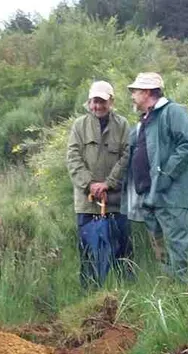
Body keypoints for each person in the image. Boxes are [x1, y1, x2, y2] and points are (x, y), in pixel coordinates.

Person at [123, 72, 188, 282]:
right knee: (161, 252)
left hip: (171, 195)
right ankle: (172, 299)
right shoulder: (144, 121)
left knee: (179, 247)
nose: (132, 96)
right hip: (149, 197)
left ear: (147, 92)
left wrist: (165, 176)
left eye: (135, 91)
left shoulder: (172, 111)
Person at [66, 80, 131, 286]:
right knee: (88, 254)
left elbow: (128, 156)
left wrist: (109, 183)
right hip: (87, 204)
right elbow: (73, 158)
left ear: (111, 101)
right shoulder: (79, 126)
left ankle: (126, 292)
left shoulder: (123, 125)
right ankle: (89, 295)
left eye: (102, 101)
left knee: (122, 252)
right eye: (94, 101)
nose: (98, 106)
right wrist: (91, 185)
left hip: (115, 201)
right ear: (89, 102)